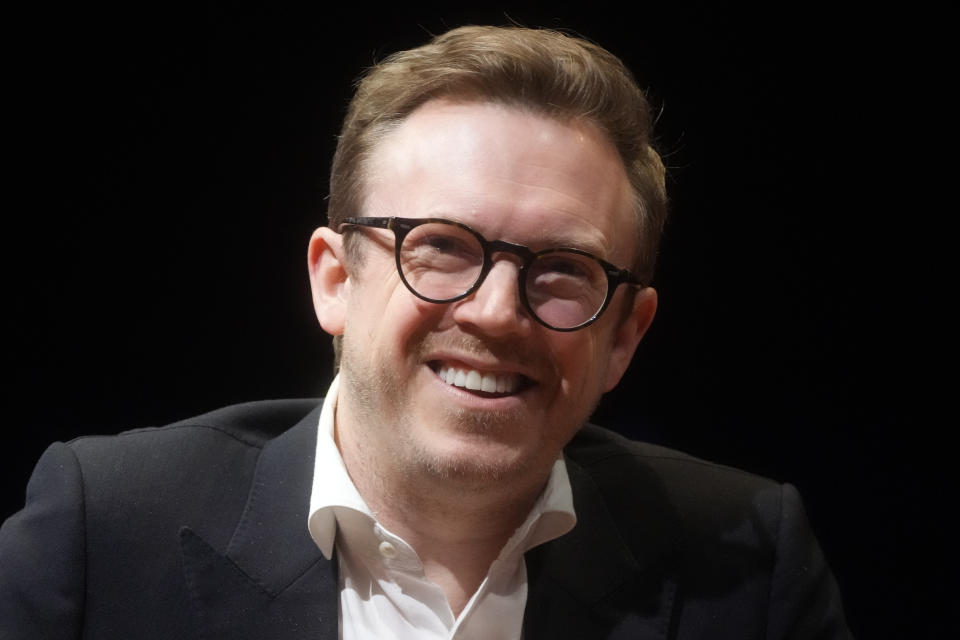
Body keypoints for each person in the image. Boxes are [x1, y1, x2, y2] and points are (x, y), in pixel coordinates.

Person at [0, 25, 851, 639]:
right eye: (440, 247)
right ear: (334, 280)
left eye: (563, 270)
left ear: (625, 334)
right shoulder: (106, 527)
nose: (493, 311)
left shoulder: (748, 565)